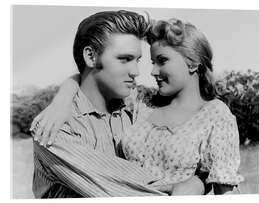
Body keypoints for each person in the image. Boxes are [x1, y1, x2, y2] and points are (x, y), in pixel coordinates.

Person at [31, 11, 205, 198]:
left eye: (137, 60)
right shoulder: (54, 128)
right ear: (91, 57)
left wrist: (198, 181)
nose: (136, 71)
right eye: (124, 59)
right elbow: (137, 190)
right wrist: (195, 183)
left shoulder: (136, 106)